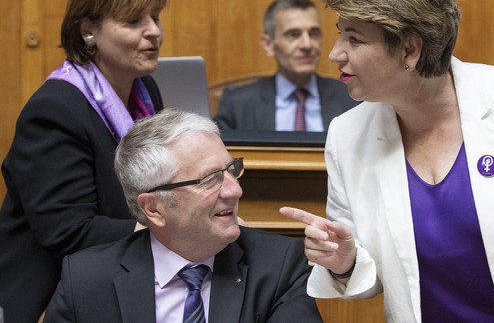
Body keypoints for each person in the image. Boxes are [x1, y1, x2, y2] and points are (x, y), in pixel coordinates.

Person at [280, 0, 494, 322]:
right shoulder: (347, 135)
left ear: (410, 50)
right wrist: (344, 262)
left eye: (354, 38)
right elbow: (372, 275)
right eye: (340, 32)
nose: (334, 53)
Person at [0, 0, 168, 322]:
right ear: (88, 30)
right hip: (51, 299)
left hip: (119, 280)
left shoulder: (146, 91)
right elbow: (69, 232)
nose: (153, 31)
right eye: (134, 20)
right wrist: (174, 229)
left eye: (155, 17)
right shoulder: (54, 109)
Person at [44, 109, 323, 323]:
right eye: (211, 179)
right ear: (153, 208)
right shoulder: (86, 281)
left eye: (231, 170)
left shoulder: (279, 267)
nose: (234, 189)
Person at [214, 0, 358, 132]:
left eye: (313, 33)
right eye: (293, 35)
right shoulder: (238, 104)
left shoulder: (352, 98)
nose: (307, 45)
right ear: (268, 44)